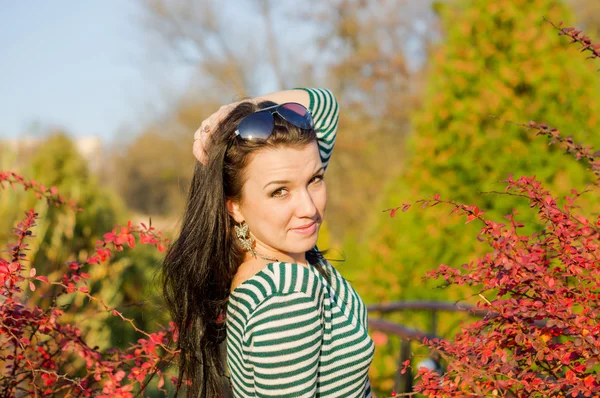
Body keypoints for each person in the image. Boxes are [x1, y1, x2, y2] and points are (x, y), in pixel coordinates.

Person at [161, 88, 375, 397]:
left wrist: (237, 111)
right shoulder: (285, 294)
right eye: (280, 191)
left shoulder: (281, 255)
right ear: (233, 205)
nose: (308, 208)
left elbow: (325, 107)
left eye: (315, 179)